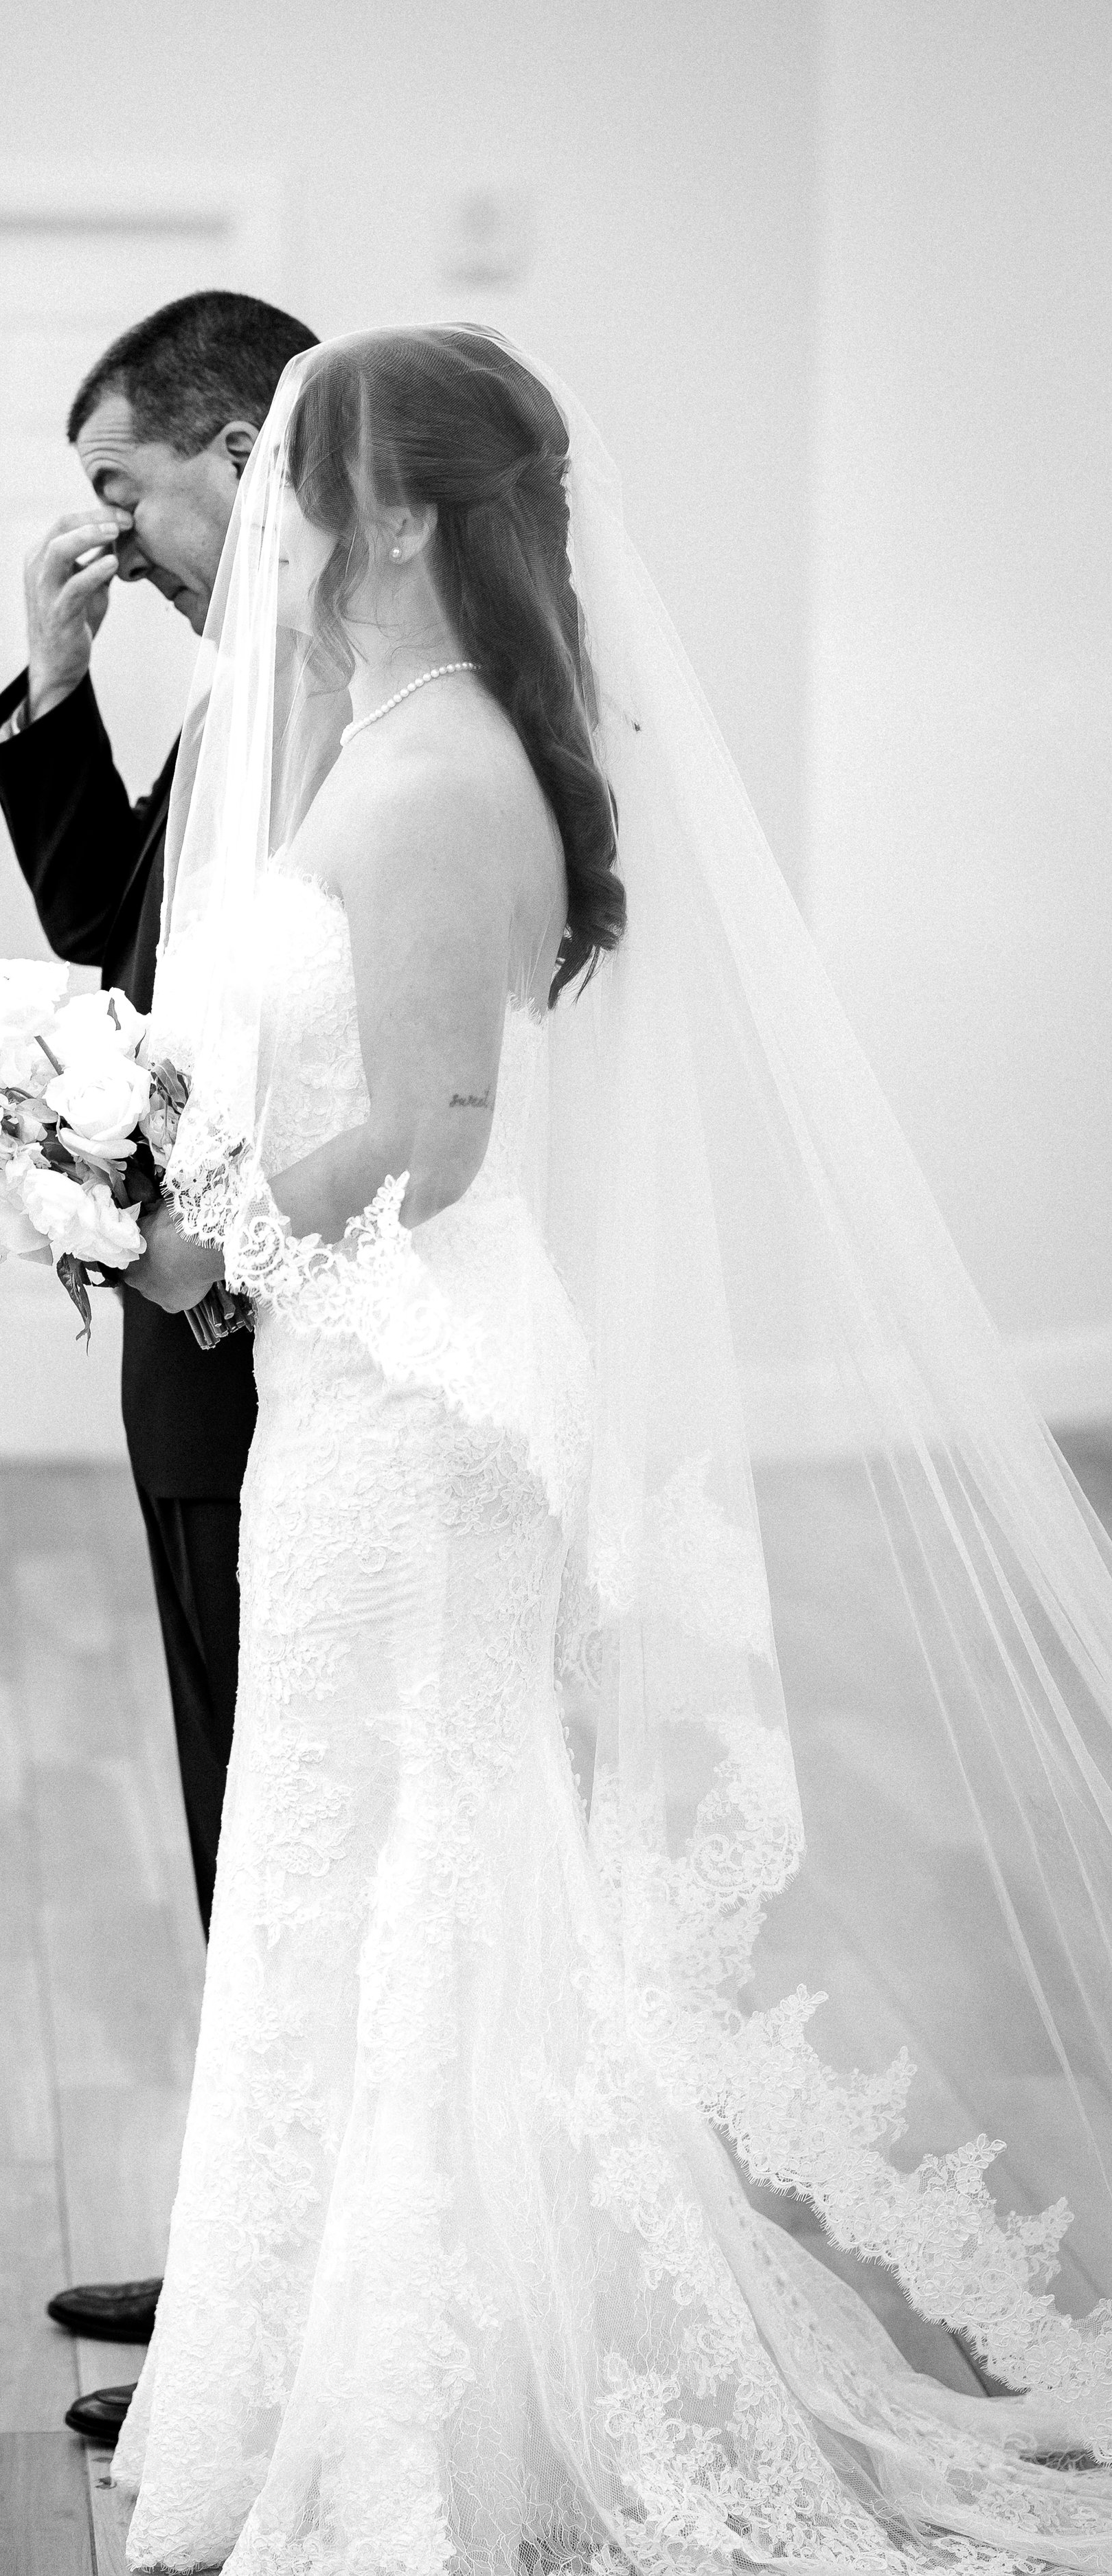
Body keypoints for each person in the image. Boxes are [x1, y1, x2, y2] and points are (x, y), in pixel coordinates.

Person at [112, 326, 1112, 2568]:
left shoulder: (447, 765)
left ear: (385, 513)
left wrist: (200, 1236)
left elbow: (441, 1143)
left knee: (429, 1888)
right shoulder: (389, 736)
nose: (260, 499)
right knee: (335, 1877)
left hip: (420, 1406)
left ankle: (446, 2427)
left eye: (296, 466)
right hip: (355, 1388)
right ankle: (325, 2384)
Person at [0, 290, 317, 2440]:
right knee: (248, 1823)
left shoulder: (356, 707)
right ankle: (267, 2254)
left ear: (236, 449)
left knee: (285, 1824)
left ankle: (289, 2306)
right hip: (208, 1336)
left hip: (269, 1339)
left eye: (124, 481)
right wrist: (51, 688)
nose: (107, 528)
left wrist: (184, 1234)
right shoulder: (255, 690)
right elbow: (130, 956)